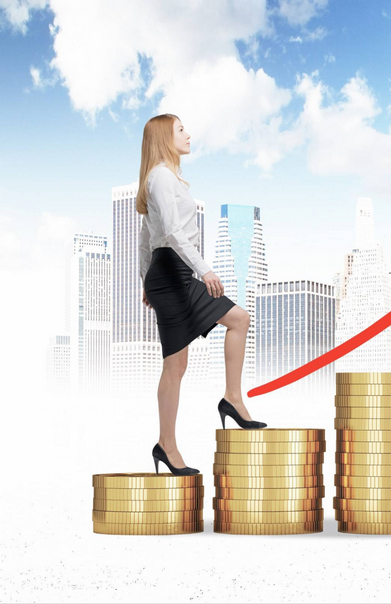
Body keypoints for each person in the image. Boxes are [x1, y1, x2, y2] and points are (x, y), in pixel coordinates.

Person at [136, 113, 266, 476]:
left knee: (232, 323)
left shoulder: (166, 178)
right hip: (174, 272)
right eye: (181, 130)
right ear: (165, 137)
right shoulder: (161, 177)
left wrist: (146, 279)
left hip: (169, 272)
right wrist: (204, 270)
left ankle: (231, 399)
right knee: (177, 365)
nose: (188, 135)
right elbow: (172, 234)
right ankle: (167, 444)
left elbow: (145, 239)